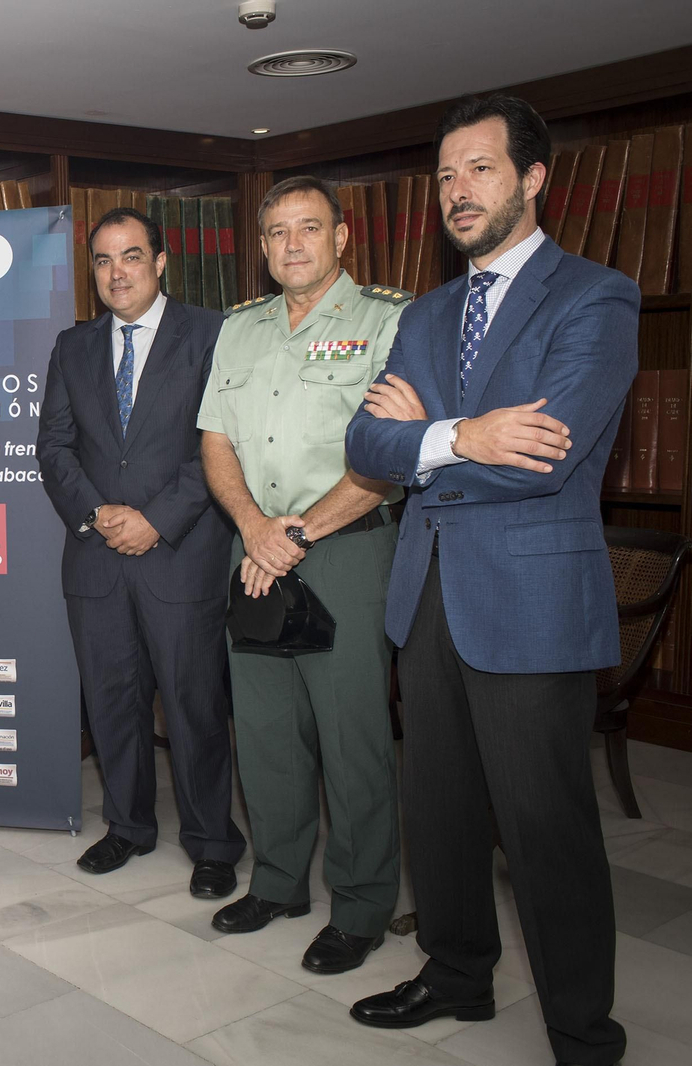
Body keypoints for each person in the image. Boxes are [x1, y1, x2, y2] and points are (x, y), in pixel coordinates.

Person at [345, 95, 634, 1066]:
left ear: (532, 178)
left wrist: (421, 442)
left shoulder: (595, 296)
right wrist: (460, 435)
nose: (455, 191)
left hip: (531, 601)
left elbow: (545, 453)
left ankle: (581, 1032)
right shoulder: (424, 312)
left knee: (544, 827)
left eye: (477, 169)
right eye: (443, 175)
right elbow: (365, 440)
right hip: (423, 591)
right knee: (440, 810)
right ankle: (455, 975)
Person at [196, 176, 408, 974]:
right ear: (260, 246)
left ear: (342, 237)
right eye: (277, 232)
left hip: (346, 551)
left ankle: (359, 905)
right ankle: (280, 882)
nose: (292, 244)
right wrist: (255, 529)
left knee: (352, 736)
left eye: (308, 228)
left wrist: (296, 533)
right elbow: (215, 439)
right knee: (264, 730)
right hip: (252, 551)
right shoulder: (239, 329)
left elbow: (389, 454)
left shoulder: (391, 319)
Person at [37, 207, 245, 894]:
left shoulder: (213, 335)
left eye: (131, 256)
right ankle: (126, 827)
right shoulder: (73, 347)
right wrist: (99, 515)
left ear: (160, 262)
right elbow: (55, 449)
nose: (116, 271)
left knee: (194, 707)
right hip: (97, 559)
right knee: (112, 702)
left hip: (180, 555)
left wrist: (156, 519)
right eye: (102, 259)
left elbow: (220, 443)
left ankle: (213, 840)